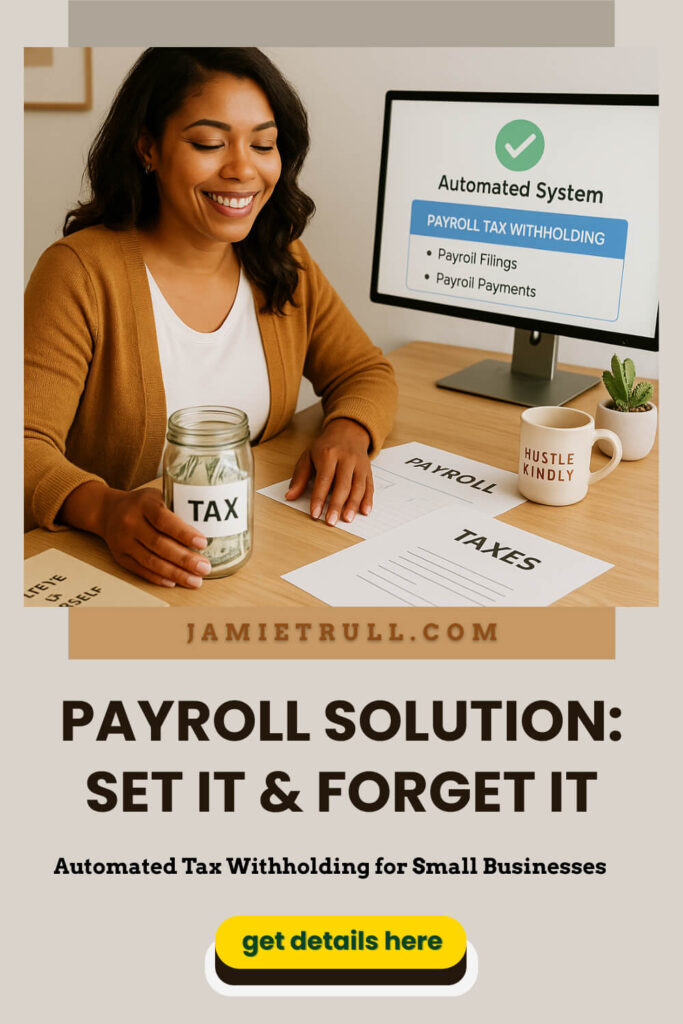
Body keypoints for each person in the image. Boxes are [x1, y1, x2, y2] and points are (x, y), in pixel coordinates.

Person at [24, 48, 397, 589]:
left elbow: (364, 370)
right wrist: (104, 509)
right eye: (209, 143)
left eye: (263, 144)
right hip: (122, 576)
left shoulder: (281, 258)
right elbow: (23, 444)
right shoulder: (80, 273)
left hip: (257, 569)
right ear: (148, 147)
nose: (244, 169)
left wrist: (348, 430)